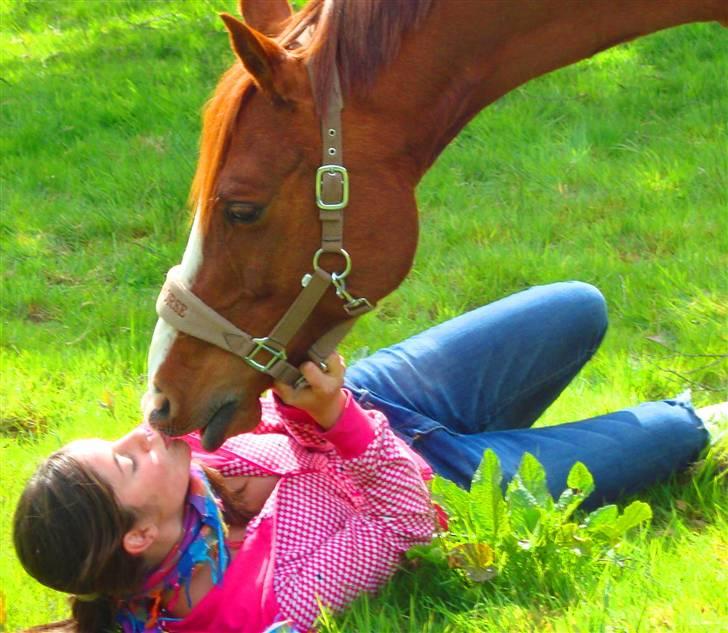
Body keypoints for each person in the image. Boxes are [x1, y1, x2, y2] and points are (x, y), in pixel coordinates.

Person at [13, 282, 711, 633]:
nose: (138, 435)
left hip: (383, 397)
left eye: (115, 445)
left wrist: (309, 400)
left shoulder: (181, 462)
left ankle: (499, 423)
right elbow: (407, 524)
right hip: (448, 485)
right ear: (139, 535)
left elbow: (234, 374)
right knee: (678, 430)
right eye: (126, 463)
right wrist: (335, 420)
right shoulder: (262, 604)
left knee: (577, 307)